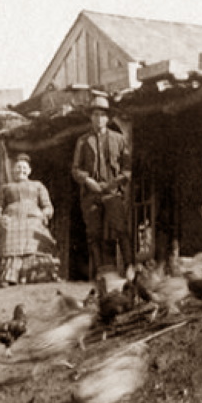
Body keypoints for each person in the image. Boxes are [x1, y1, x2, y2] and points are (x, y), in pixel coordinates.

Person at [71, 95, 132, 276]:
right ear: (91, 117)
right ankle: (100, 270)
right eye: (95, 115)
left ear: (108, 118)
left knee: (120, 229)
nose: (99, 119)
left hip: (113, 192)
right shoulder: (83, 141)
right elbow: (75, 169)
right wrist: (88, 181)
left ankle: (129, 267)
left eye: (102, 115)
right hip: (91, 193)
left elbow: (127, 169)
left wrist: (113, 183)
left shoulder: (119, 139)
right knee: (94, 234)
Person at [0, 153, 59, 287]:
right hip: (11, 219)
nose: (21, 170)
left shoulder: (38, 185)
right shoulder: (5, 188)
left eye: (24, 168)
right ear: (13, 170)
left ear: (29, 171)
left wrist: (44, 214)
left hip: (33, 218)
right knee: (10, 228)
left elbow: (48, 206)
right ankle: (10, 276)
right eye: (18, 167)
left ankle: (34, 275)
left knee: (32, 227)